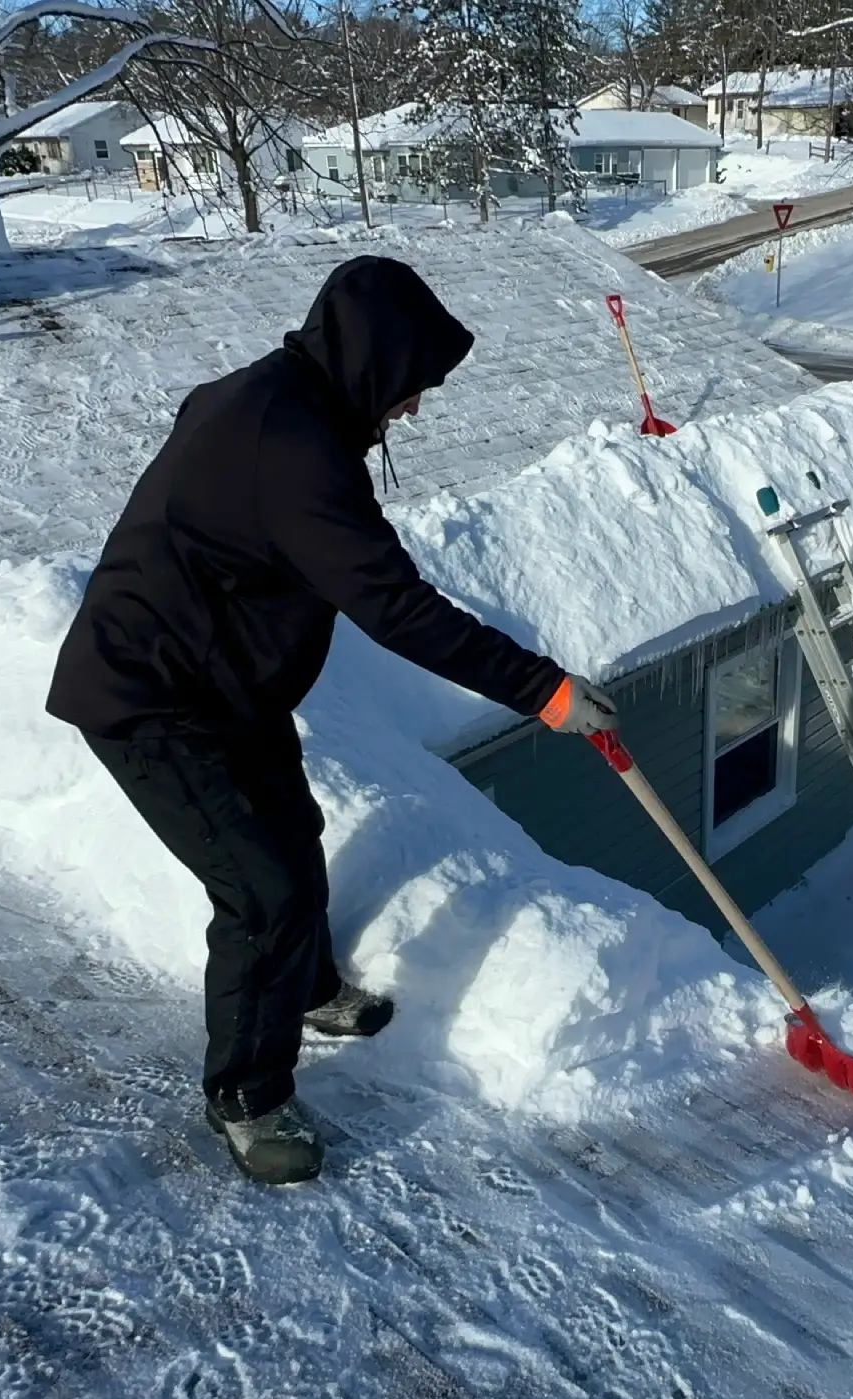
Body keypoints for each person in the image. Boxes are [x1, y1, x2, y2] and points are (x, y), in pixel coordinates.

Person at [46, 257, 617, 1185]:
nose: (414, 410)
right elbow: (398, 609)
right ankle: (247, 1098)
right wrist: (544, 691)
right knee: (260, 890)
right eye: (412, 388)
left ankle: (305, 991)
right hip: (152, 699)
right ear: (373, 362)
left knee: (293, 831)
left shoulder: (271, 397)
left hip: (222, 684)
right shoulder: (297, 451)